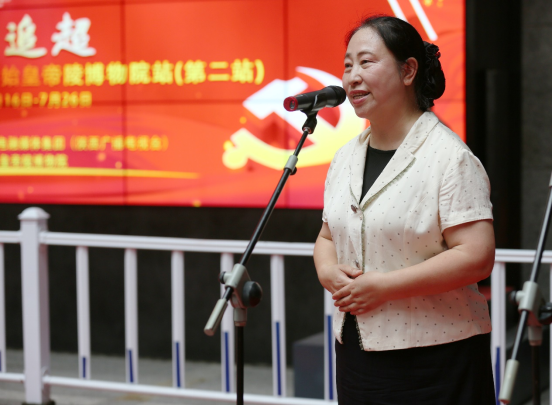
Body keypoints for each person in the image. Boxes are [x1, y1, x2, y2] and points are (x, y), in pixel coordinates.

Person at [313, 15, 497, 405]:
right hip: (358, 353)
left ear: (408, 70)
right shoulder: (345, 157)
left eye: (366, 62)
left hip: (437, 359)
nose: (352, 77)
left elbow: (476, 256)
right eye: (347, 65)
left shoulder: (449, 157)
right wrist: (327, 271)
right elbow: (327, 236)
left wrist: (384, 287)